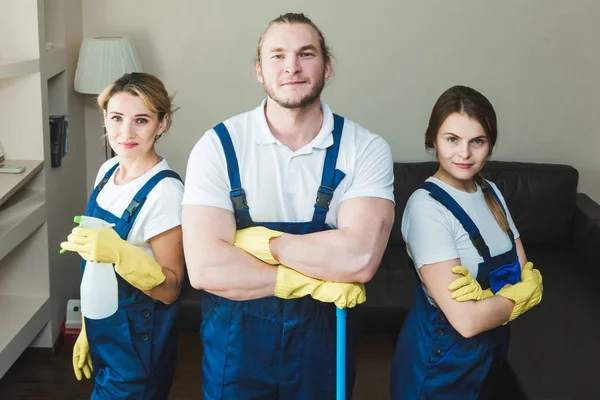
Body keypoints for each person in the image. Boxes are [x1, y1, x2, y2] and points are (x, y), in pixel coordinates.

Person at [182, 12, 395, 400]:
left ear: (327, 66)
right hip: (237, 350)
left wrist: (264, 244)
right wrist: (307, 277)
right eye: (277, 56)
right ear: (259, 70)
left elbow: (361, 258)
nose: (292, 67)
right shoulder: (217, 146)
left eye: (306, 54)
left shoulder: (365, 148)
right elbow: (205, 267)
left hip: (324, 346)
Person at [390, 85, 543, 400]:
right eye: (452, 140)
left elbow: (522, 267)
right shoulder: (426, 208)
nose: (464, 154)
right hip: (440, 363)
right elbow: (467, 321)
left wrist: (494, 300)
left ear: (490, 145)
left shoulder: (491, 192)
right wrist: (520, 296)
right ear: (433, 139)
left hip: (490, 354)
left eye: (478, 141)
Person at [60, 72, 185, 399]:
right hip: (105, 331)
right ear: (105, 118)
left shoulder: (165, 192)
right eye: (116, 118)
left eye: (141, 120)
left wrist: (121, 255)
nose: (125, 132)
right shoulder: (107, 172)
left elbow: (171, 290)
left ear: (162, 123)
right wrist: (89, 324)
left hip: (137, 349)